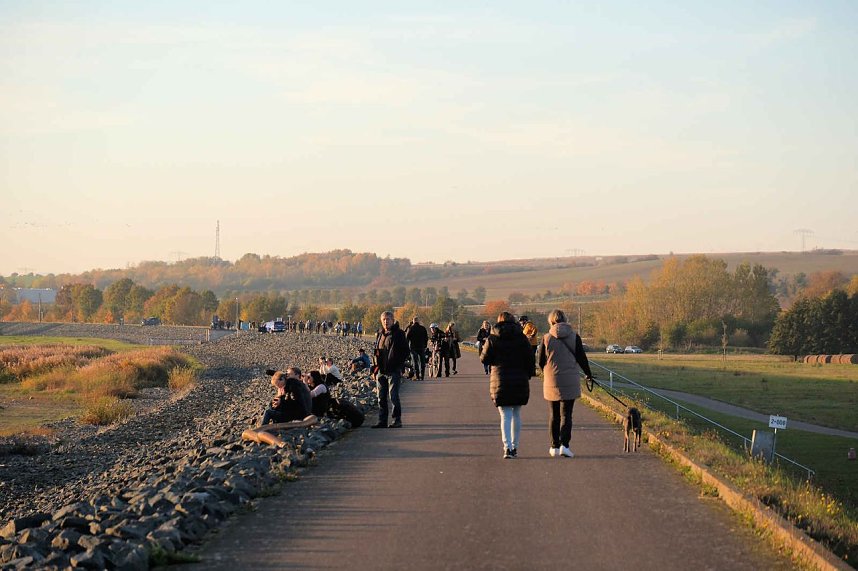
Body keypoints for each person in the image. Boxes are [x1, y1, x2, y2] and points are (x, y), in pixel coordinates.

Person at [537, 309, 594, 458]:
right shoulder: (575, 337)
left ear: (551, 321)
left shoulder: (546, 338)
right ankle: (565, 446)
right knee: (566, 414)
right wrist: (588, 374)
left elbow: (540, 361)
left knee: (554, 415)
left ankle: (554, 446)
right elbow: (582, 358)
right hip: (570, 379)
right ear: (565, 319)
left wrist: (548, 371)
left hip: (552, 380)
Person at [480, 311, 534, 459]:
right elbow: (530, 358)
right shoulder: (521, 338)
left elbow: (484, 358)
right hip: (519, 377)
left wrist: (494, 361)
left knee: (505, 415)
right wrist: (528, 374)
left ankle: (507, 447)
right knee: (517, 413)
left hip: (500, 378)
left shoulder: (493, 337)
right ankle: (515, 447)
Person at [373, 311, 410, 428]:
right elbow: (377, 352)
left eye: (388, 319)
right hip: (381, 371)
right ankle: (382, 421)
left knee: (393, 396)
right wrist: (374, 369)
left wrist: (397, 364)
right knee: (381, 397)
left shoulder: (399, 334)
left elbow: (405, 351)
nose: (386, 321)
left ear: (393, 320)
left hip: (393, 370)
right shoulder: (380, 334)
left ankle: (397, 420)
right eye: (384, 319)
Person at [405, 316, 429, 381]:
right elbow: (426, 338)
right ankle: (422, 376)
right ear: (418, 321)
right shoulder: (423, 328)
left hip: (413, 347)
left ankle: (417, 376)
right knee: (422, 361)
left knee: (415, 362)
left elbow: (407, 338)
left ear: (413, 321)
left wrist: (407, 347)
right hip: (421, 347)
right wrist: (425, 345)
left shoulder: (411, 328)